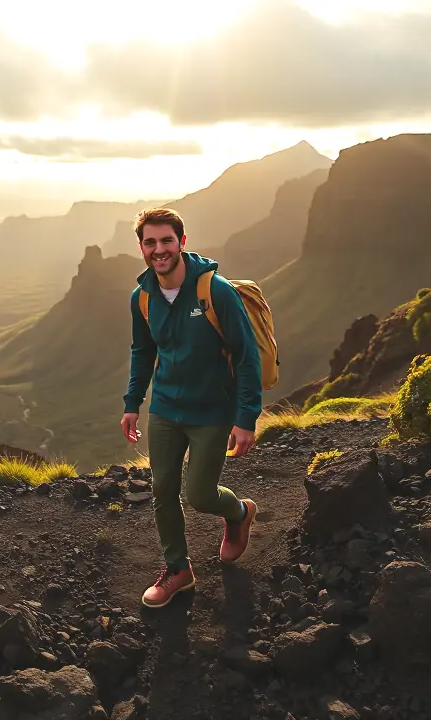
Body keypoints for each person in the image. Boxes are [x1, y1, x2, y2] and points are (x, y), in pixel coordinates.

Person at [120, 207, 263, 608]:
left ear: (182, 242)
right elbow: (143, 351)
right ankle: (177, 570)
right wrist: (133, 404)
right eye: (151, 242)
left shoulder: (215, 291)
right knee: (162, 491)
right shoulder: (142, 297)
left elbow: (246, 354)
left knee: (199, 495)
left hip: (212, 411)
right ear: (142, 248)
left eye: (167, 240)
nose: (159, 249)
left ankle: (238, 513)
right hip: (165, 409)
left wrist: (245, 417)